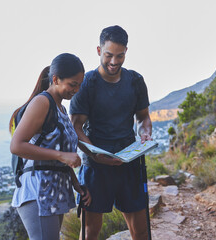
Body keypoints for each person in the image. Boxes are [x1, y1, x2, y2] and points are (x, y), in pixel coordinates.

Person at [70, 25, 152, 240]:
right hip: (96, 167)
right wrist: (95, 154)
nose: (114, 62)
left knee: (141, 231)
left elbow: (143, 117)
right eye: (108, 55)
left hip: (130, 163)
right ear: (99, 51)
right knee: (90, 232)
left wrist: (145, 134)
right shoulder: (87, 84)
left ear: (126, 52)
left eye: (120, 56)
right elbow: (76, 126)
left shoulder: (135, 81)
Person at [10, 53, 91, 240]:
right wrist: (61, 156)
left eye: (80, 84)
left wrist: (76, 184)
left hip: (54, 191)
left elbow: (60, 156)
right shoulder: (42, 102)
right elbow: (16, 145)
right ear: (55, 79)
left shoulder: (61, 109)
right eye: (72, 84)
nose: (77, 90)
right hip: (37, 190)